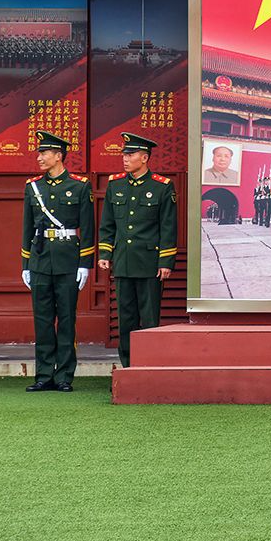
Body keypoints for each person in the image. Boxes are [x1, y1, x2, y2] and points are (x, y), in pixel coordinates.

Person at [21, 130, 95, 392]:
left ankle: (64, 375)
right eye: (39, 153)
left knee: (66, 318)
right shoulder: (33, 187)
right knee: (42, 320)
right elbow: (27, 227)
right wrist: (26, 264)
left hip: (68, 260)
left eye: (44, 153)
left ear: (58, 156)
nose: (39, 158)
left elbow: (88, 227)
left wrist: (85, 263)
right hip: (40, 259)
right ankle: (43, 374)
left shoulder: (79, 185)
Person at [97, 132, 178, 368]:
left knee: (150, 317)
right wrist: (105, 253)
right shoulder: (115, 184)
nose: (125, 159)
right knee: (126, 317)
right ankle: (128, 366)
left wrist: (165, 261)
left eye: (130, 155)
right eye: (124, 154)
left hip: (149, 263)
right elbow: (107, 223)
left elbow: (168, 227)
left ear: (144, 158)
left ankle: (149, 365)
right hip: (123, 261)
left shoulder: (162, 186)